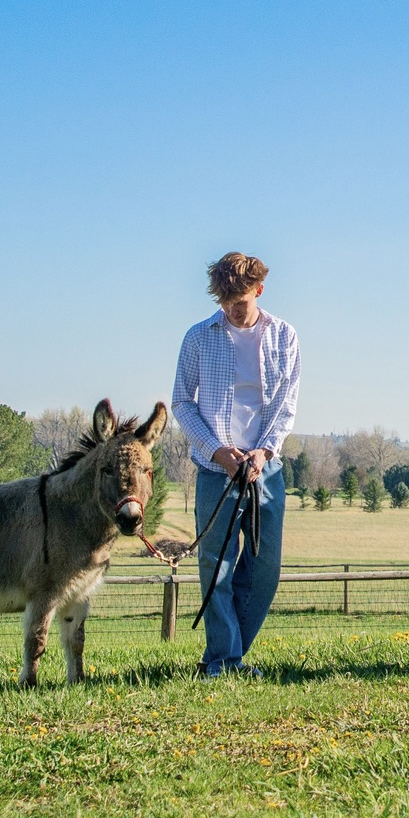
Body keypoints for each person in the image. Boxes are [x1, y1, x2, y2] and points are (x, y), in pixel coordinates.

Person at [171, 252, 301, 677]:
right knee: (217, 568)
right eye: (224, 302)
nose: (231, 309)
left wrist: (263, 452)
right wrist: (217, 451)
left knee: (265, 570)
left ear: (259, 291)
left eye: (239, 301)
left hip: (266, 470)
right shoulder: (197, 338)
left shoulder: (285, 337)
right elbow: (181, 404)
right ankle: (226, 661)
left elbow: (286, 407)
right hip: (216, 471)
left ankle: (225, 655)